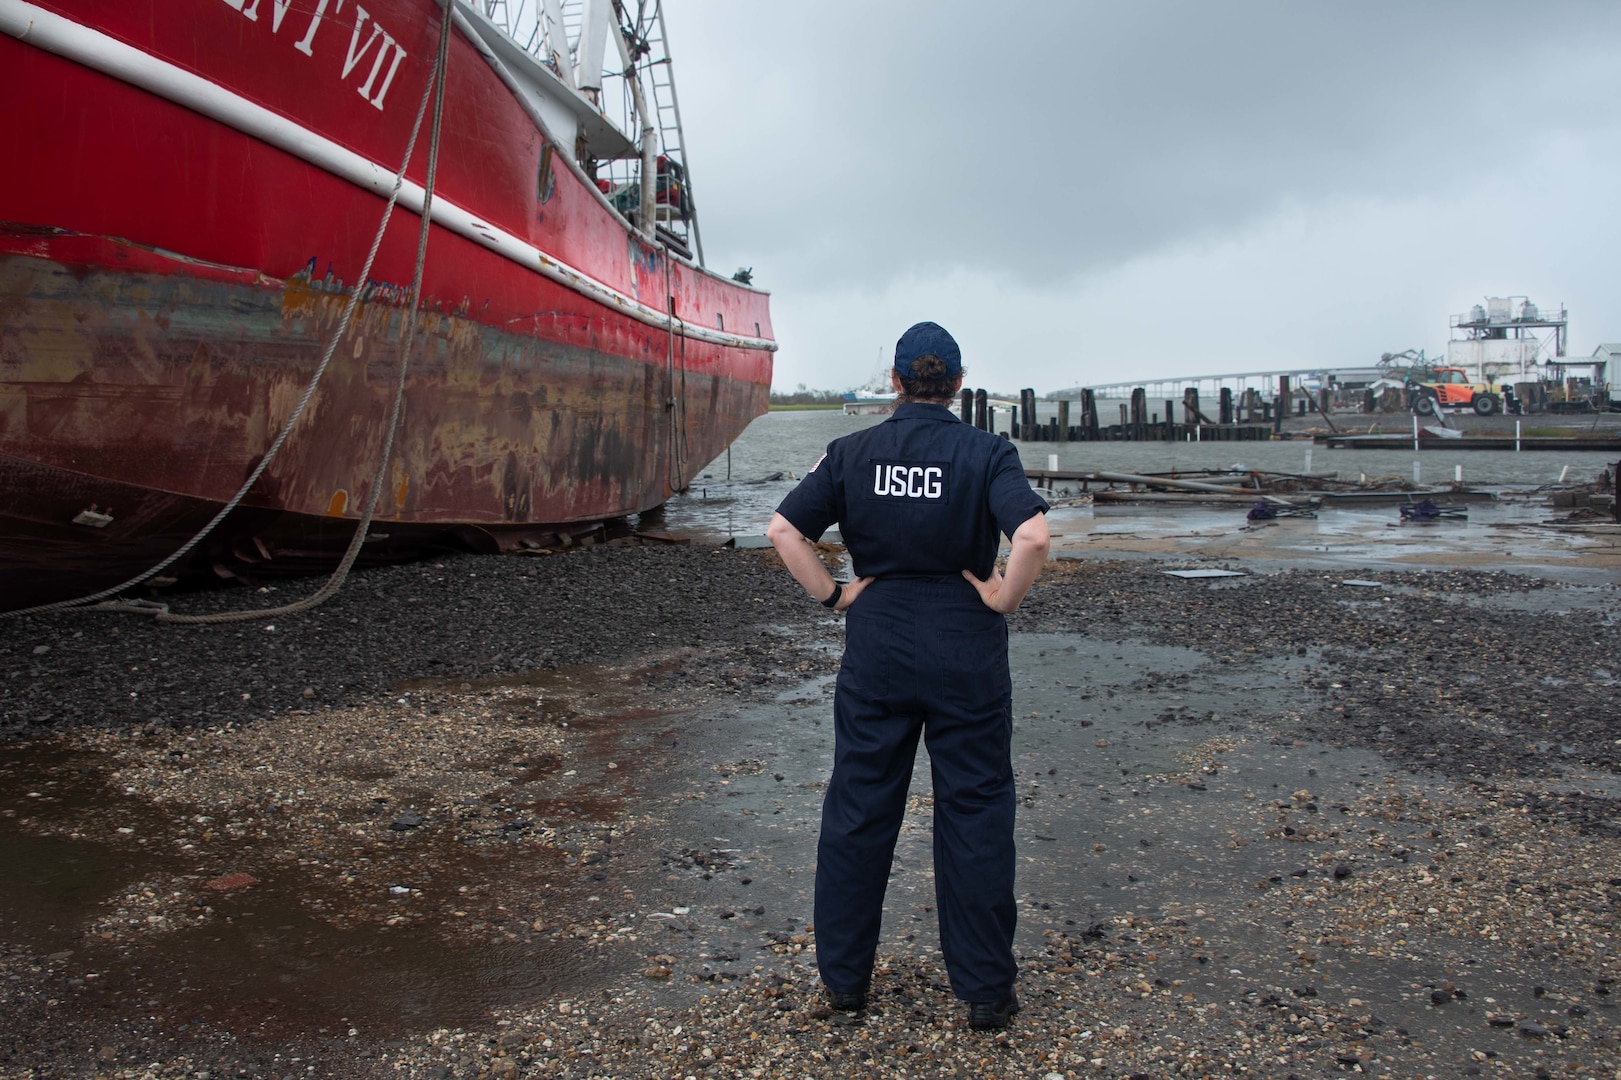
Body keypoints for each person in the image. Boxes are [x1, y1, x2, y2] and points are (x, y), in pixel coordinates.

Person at [765, 321, 1050, 1031]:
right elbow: (1035, 536)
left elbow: (782, 531)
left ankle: (844, 985)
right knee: (976, 810)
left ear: (895, 383)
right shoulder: (986, 451)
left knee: (860, 809)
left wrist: (833, 594)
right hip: (965, 647)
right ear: (955, 384)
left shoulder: (852, 451)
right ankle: (984, 992)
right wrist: (1001, 597)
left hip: (879, 645)